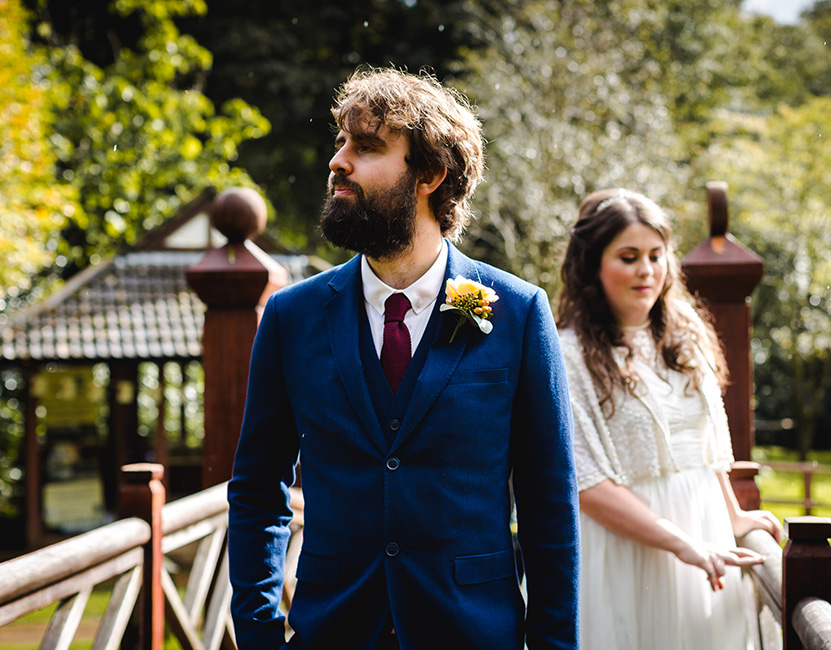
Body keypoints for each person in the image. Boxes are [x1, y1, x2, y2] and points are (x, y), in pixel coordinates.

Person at [227, 67, 580, 650]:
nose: (338, 162)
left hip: (473, 630)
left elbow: (549, 506)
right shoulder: (291, 318)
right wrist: (259, 635)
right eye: (341, 143)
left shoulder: (518, 313)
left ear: (431, 175)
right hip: (330, 632)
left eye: (366, 148)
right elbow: (259, 490)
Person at [556, 188, 783, 650]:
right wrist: (683, 545)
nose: (647, 270)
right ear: (592, 265)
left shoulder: (687, 336)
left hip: (706, 533)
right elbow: (586, 484)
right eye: (628, 256)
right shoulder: (567, 355)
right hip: (626, 550)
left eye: (657, 255)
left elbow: (706, 451)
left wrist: (734, 517)